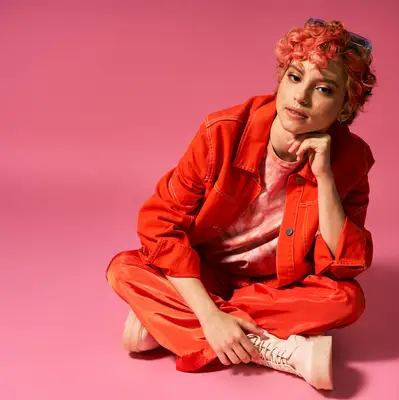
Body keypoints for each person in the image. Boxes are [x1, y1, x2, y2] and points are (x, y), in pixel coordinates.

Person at [105, 17, 377, 391]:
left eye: (324, 89)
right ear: (281, 78)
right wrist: (209, 314)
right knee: (124, 269)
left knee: (346, 300)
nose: (301, 97)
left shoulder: (352, 160)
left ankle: (165, 323)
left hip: (276, 286)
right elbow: (159, 225)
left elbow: (345, 265)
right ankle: (271, 349)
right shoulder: (223, 132)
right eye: (295, 78)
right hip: (206, 271)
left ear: (345, 106)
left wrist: (325, 178)